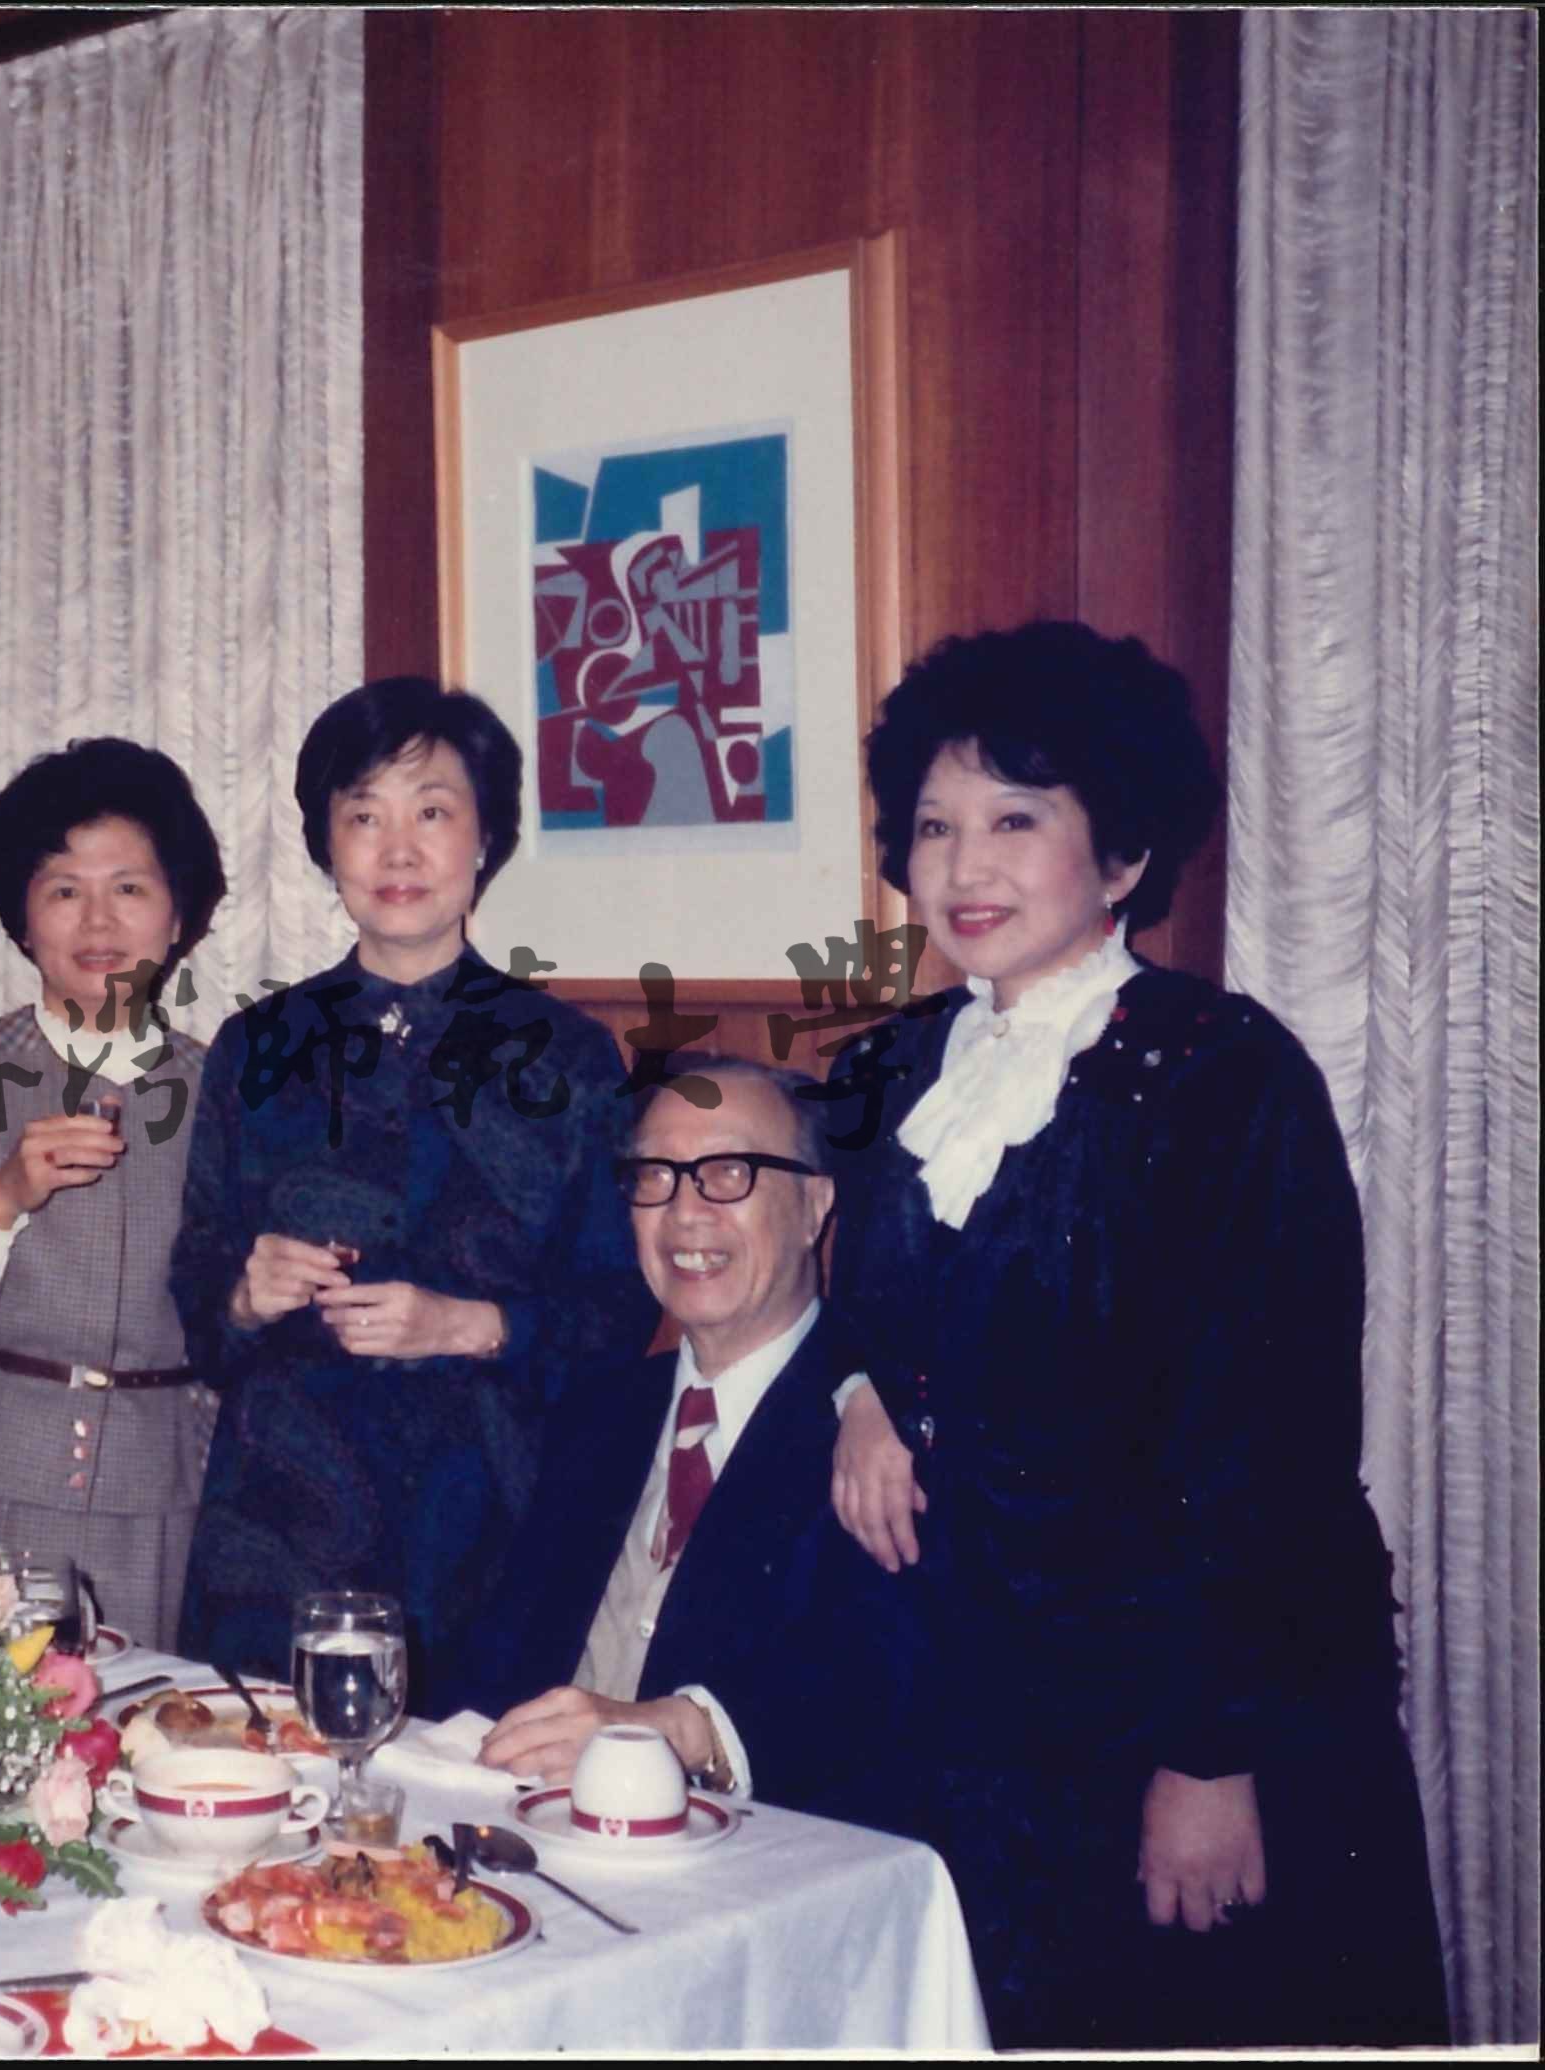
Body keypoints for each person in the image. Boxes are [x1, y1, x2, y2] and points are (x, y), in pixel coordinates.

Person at [823, 621, 1446, 2048]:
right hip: (965, 1691)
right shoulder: (890, 1067)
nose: (963, 866)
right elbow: (854, 1299)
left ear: (1119, 857)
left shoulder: (1224, 1074)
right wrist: (859, 1390)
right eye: (934, 824)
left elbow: (1272, 1445)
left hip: (1169, 1705)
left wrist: (1209, 1758)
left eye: (1014, 820)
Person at [173, 678, 655, 1715]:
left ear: (485, 839)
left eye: (431, 812)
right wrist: (245, 1293)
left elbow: (619, 1311)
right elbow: (196, 1302)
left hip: (486, 1535)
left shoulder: (566, 1056)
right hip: (274, 1538)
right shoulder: (256, 1048)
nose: (397, 851)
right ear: (326, 845)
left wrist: (467, 1325)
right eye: (363, 817)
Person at [456, 1057, 923, 1834]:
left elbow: (880, 1686)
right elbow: (500, 1666)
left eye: (729, 1173)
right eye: (656, 1177)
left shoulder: (883, 1427)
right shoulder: (598, 1414)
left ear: (814, 1207)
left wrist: (683, 1732)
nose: (685, 1213)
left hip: (758, 1861)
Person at [0, 739, 226, 1647]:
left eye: (129, 887)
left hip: (161, 1482)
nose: (98, 921)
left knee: (153, 1717)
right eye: (63, 890)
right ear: (22, 919)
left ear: (177, 912)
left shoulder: (230, 1094)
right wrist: (2, 1197)